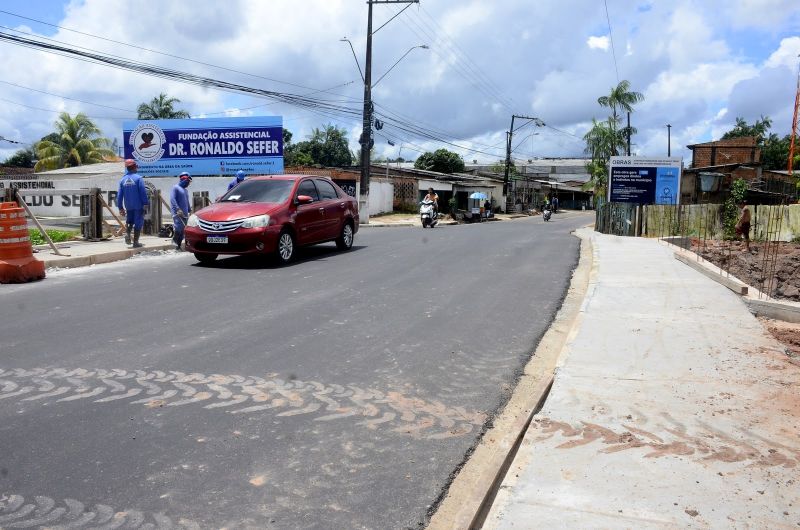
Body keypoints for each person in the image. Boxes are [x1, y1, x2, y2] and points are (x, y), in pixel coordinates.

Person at [117, 159, 149, 248]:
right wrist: (145, 203)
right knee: (138, 222)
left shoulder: (122, 180)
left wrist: (120, 207)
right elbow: (143, 192)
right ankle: (135, 242)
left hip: (128, 206)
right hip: (138, 206)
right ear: (134, 167)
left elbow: (119, 196)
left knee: (129, 221)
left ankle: (127, 234)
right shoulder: (139, 178)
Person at [170, 172, 192, 250]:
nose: (188, 184)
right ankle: (175, 243)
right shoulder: (175, 188)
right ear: (184, 180)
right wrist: (178, 209)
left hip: (185, 214)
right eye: (188, 182)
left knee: (183, 231)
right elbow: (172, 199)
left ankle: (178, 246)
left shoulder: (185, 191)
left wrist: (190, 210)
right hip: (177, 213)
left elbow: (187, 201)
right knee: (178, 228)